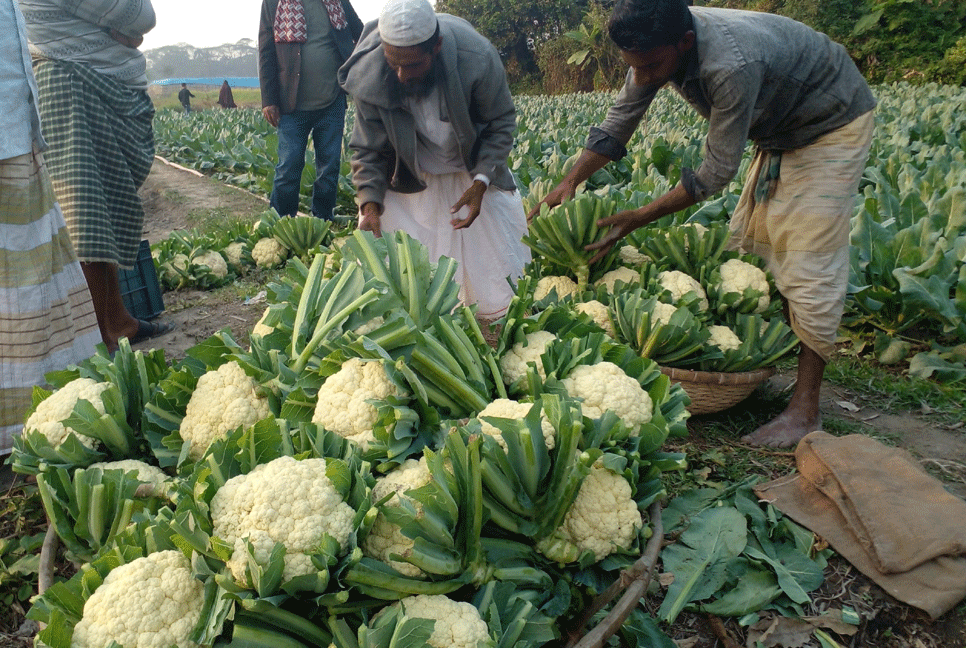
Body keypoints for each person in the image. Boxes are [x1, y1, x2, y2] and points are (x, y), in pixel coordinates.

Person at [531, 0, 875, 448]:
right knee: (759, 250)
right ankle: (774, 375)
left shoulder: (730, 64)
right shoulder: (651, 47)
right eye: (635, 67)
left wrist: (636, 218)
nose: (646, 76)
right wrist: (570, 181)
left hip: (830, 123)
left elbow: (714, 174)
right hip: (779, 130)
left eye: (653, 66)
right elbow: (619, 121)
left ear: (685, 43)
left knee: (808, 263)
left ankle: (805, 411)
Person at [338, 0, 531, 318]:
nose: (401, 75)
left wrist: (482, 181)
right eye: (393, 62)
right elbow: (368, 148)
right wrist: (369, 204)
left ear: (436, 47)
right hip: (408, 168)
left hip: (469, 161)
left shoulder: (477, 59)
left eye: (412, 65)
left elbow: (499, 125)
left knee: (500, 267)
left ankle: (495, 320)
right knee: (409, 276)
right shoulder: (371, 70)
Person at [21, 0, 174, 356]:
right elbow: (140, 15)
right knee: (84, 216)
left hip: (90, 79)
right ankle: (95, 341)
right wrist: (123, 29)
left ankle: (117, 321)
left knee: (99, 210)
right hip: (70, 83)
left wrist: (119, 29)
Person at [1, 0, 101, 455]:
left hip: (16, 127)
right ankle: (24, 427)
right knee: (18, 282)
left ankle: (47, 412)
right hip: (8, 137)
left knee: (31, 273)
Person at [258, 0, 364, 220]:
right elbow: (266, 48)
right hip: (291, 103)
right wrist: (269, 99)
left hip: (332, 98)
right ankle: (280, 224)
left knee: (330, 168)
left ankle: (322, 221)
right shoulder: (274, 2)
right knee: (289, 166)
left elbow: (360, 31)